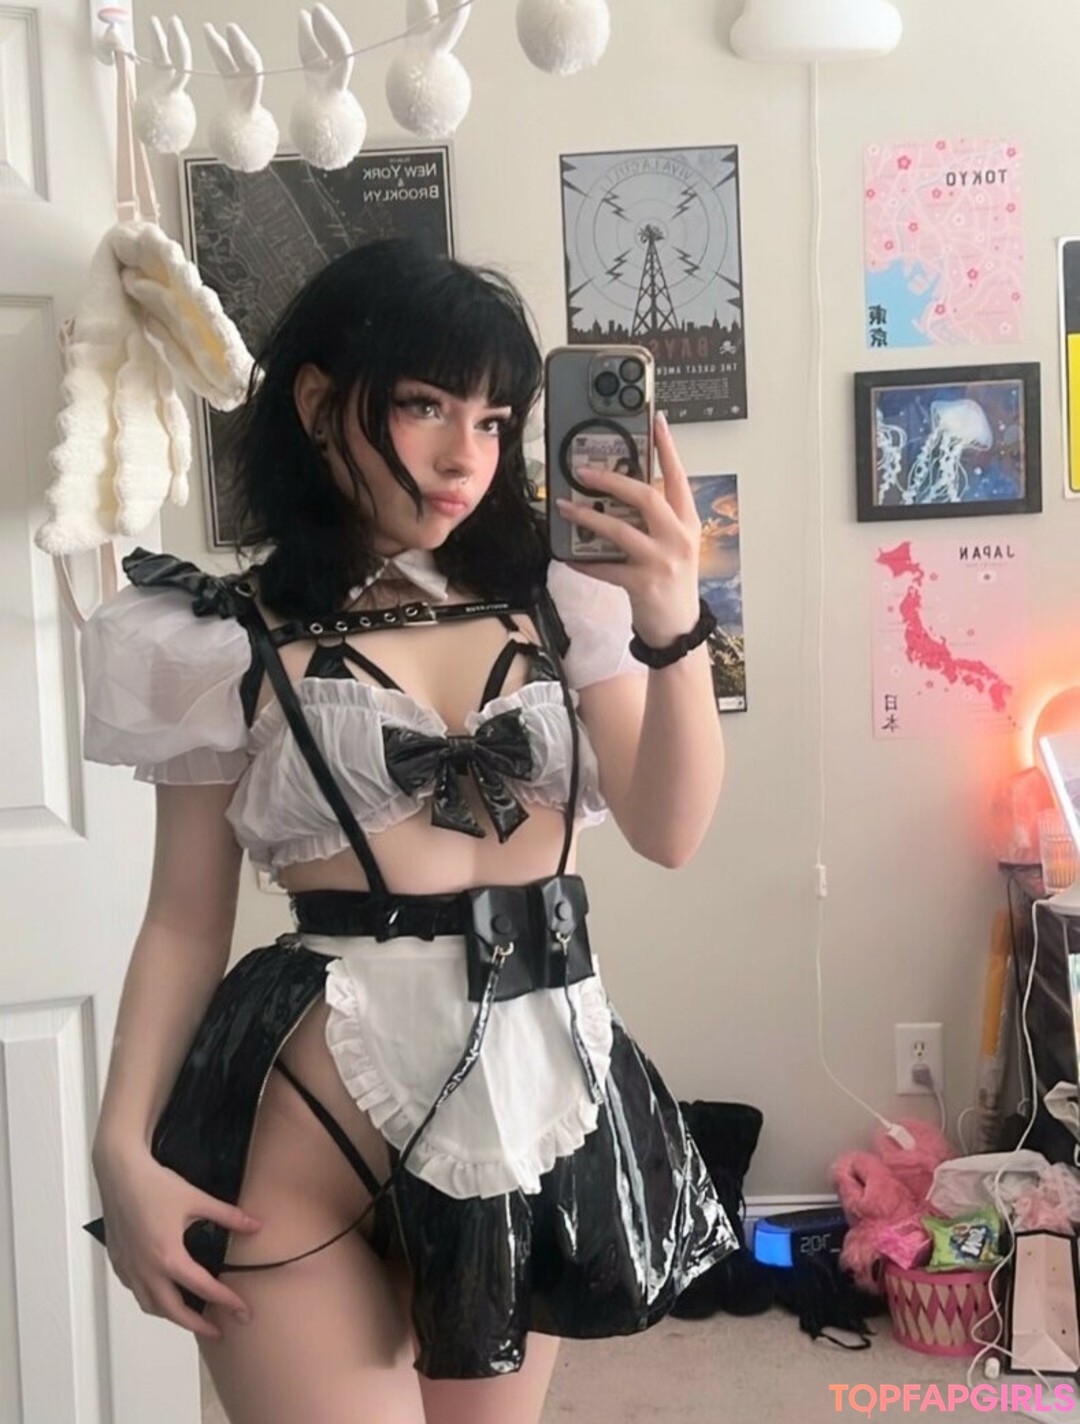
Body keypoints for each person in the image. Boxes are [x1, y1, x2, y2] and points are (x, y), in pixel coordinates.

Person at [82, 237, 734, 1424]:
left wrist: (673, 616)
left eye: (493, 420)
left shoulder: (565, 602)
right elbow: (183, 919)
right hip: (307, 1125)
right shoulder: (219, 634)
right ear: (318, 403)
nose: (464, 456)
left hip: (530, 1091)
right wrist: (121, 1149)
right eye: (425, 405)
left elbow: (670, 827)